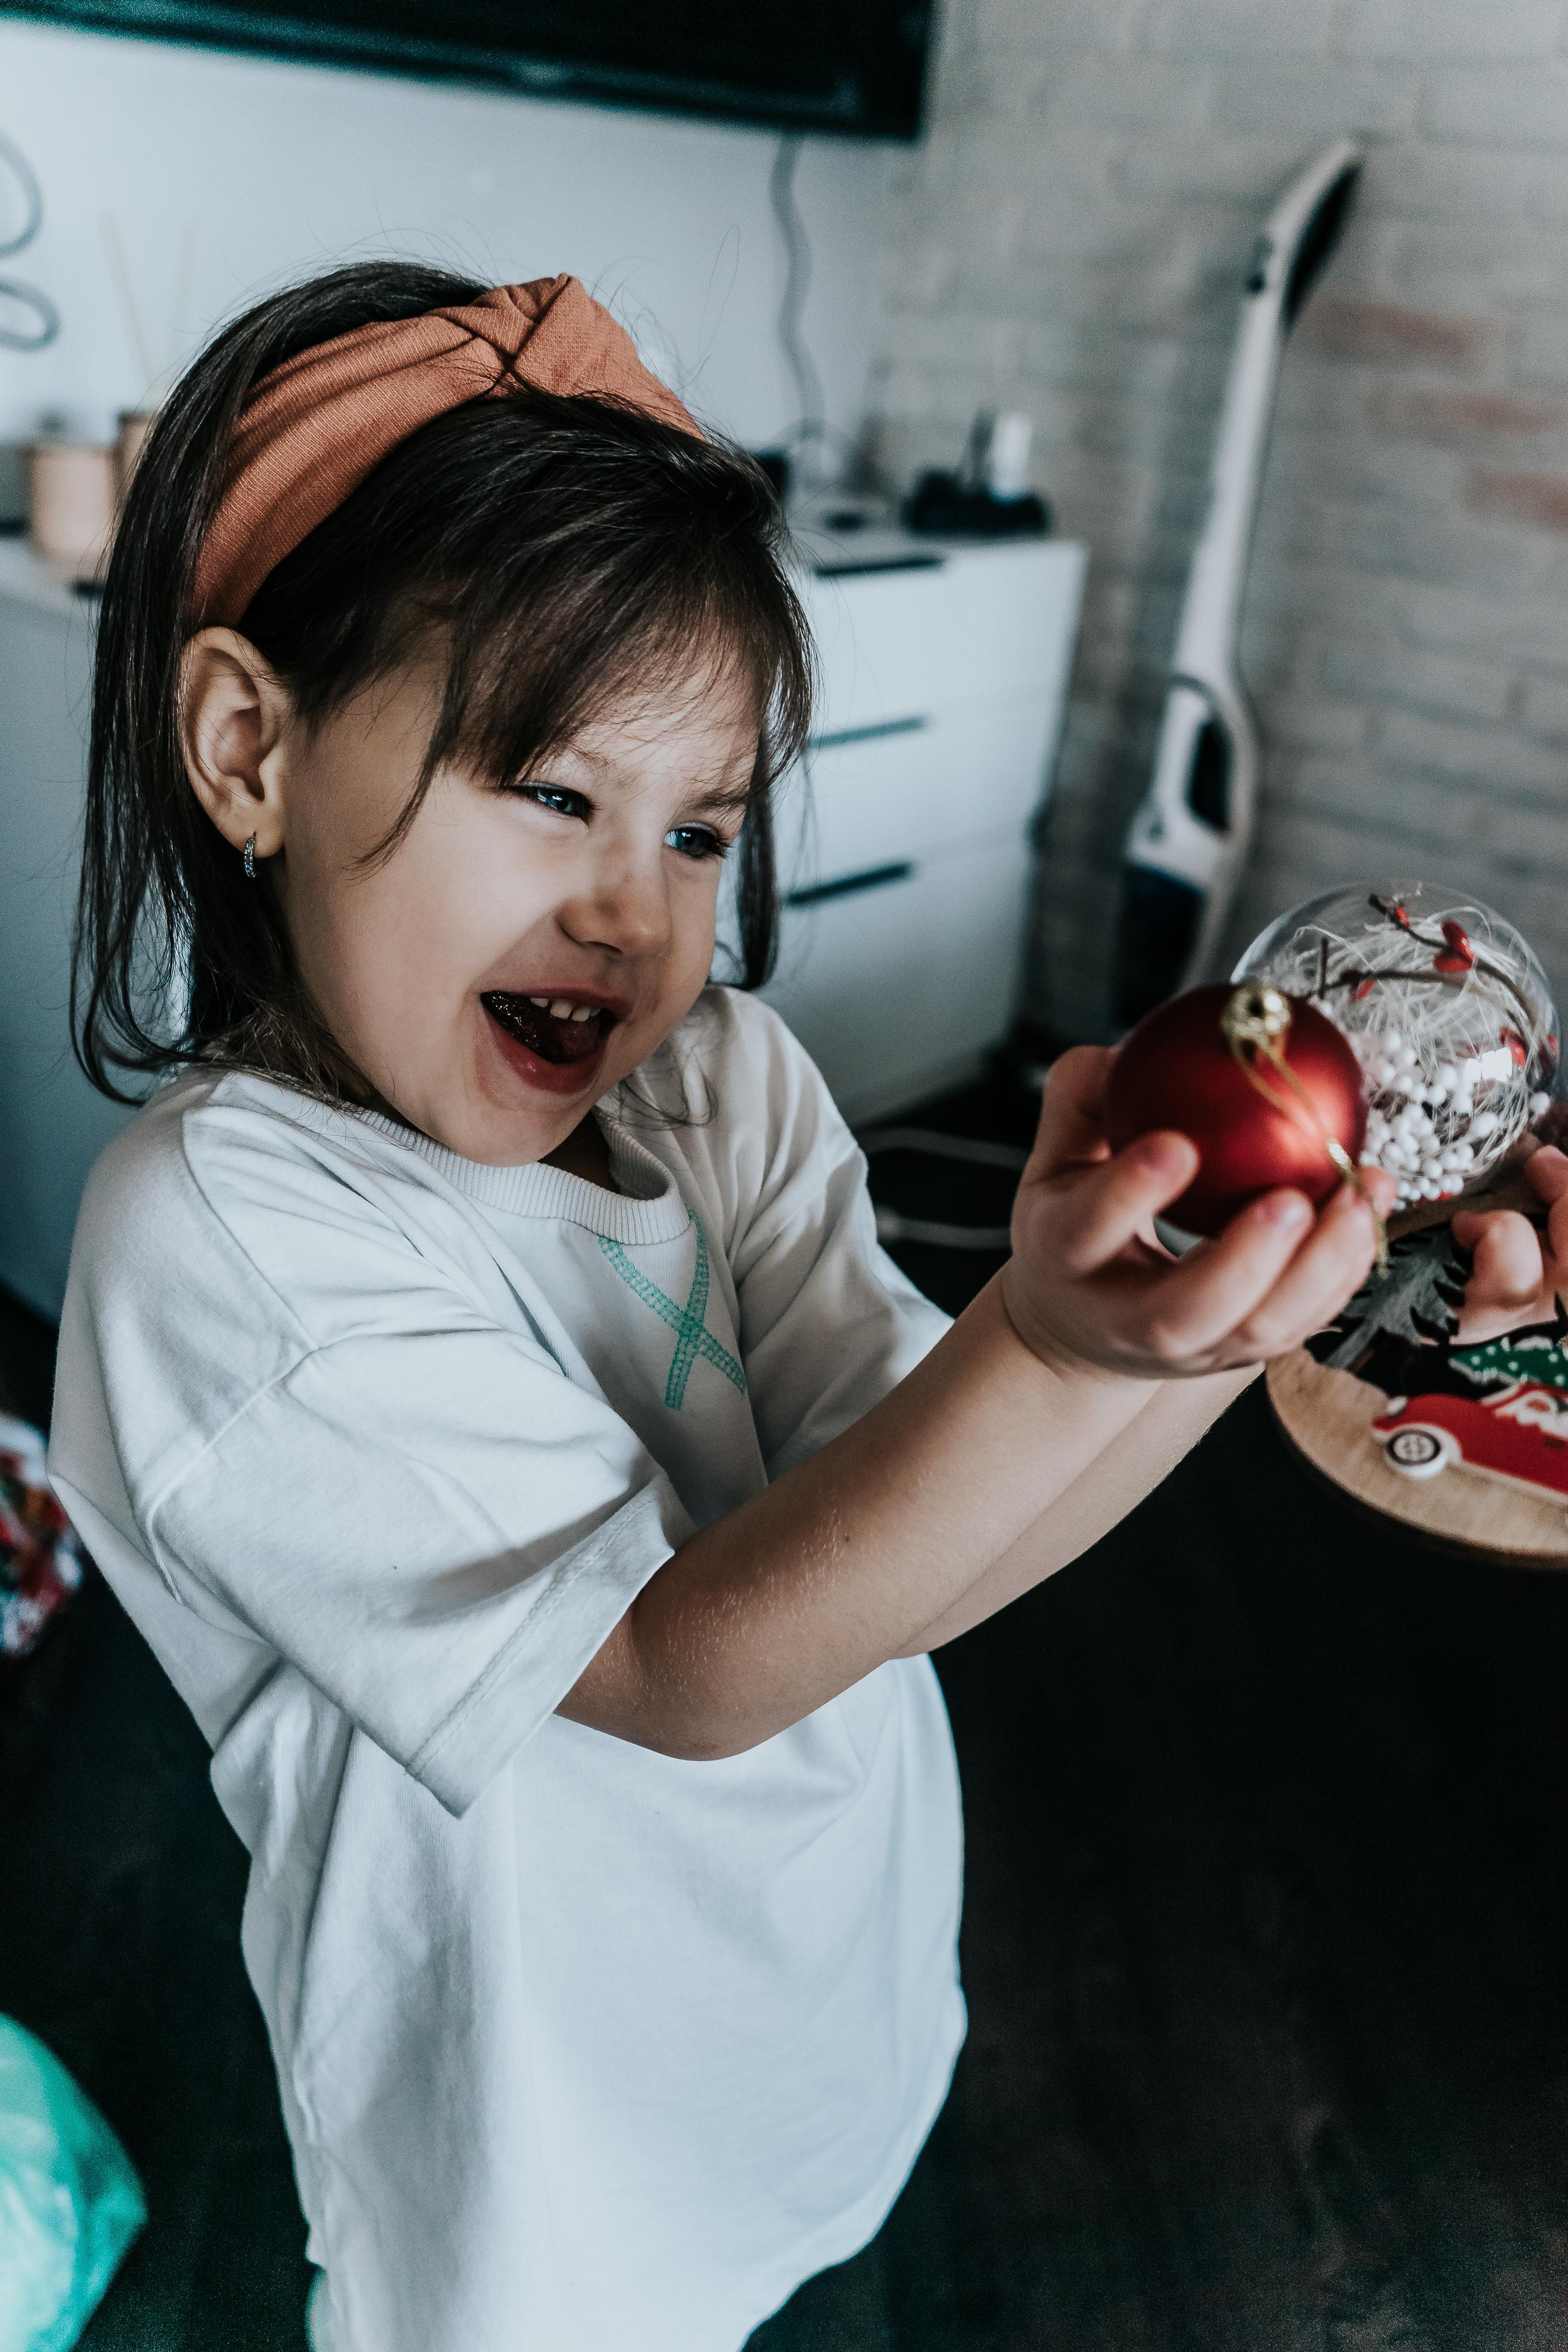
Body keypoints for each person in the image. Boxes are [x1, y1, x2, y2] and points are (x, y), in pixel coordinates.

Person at [46, 263, 1565, 2352]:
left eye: (702, 825)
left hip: (802, 1949)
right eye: (554, 793)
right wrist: (1050, 1342)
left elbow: (920, 1516)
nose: (634, 909)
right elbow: (679, 1667)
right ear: (249, 748)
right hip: (539, 2102)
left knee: (803, 2230)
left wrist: (1247, 1292)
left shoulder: (716, 1076)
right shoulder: (224, 1234)